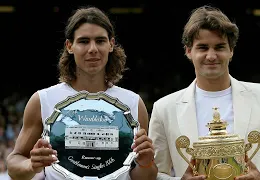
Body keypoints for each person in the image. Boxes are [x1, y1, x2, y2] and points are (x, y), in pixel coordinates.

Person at [148, 5, 260, 180]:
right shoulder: (164, 108)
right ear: (188, 51)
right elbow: (153, 174)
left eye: (219, 47)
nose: (211, 55)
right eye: (202, 47)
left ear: (231, 50)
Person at [6, 6, 157, 180]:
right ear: (69, 46)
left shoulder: (133, 103)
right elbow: (14, 163)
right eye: (84, 41)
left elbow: (143, 176)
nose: (92, 49)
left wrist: (146, 163)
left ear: (111, 44)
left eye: (100, 41)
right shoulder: (43, 100)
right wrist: (31, 165)